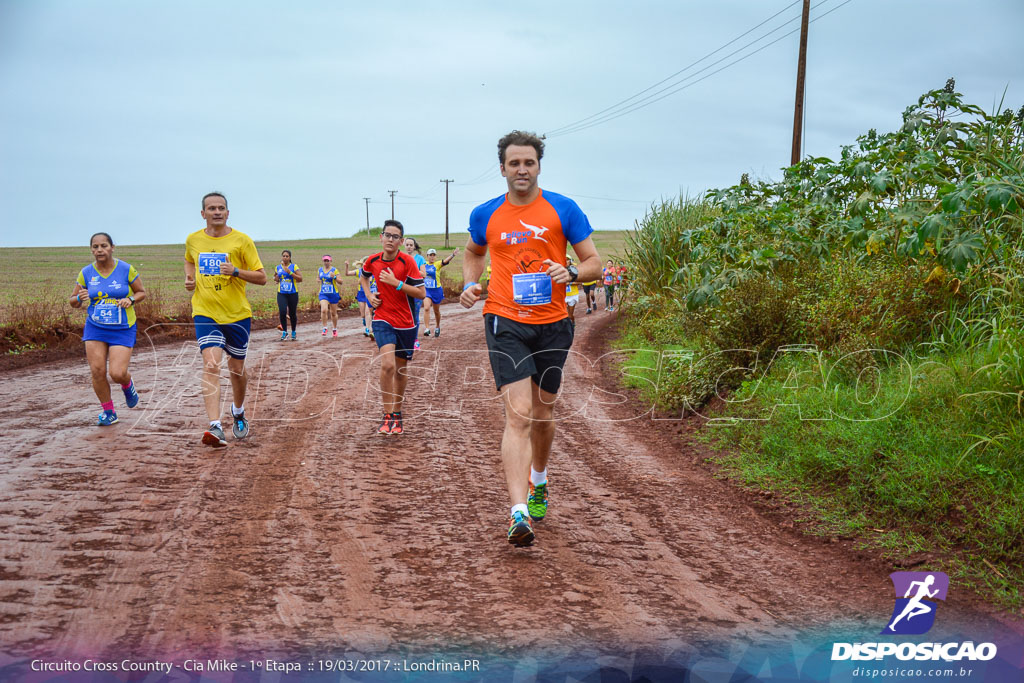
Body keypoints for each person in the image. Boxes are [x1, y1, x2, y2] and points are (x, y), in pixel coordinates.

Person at [460, 130, 601, 547]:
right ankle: (518, 512)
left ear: (539, 166)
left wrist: (572, 272)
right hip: (506, 321)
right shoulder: (486, 213)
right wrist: (470, 283)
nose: (522, 169)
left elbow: (593, 262)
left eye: (529, 163)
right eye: (514, 163)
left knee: (543, 413)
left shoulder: (563, 209)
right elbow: (473, 251)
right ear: (502, 168)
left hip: (555, 322)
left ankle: (539, 479)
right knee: (518, 413)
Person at [184, 191, 267, 447]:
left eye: (221, 208)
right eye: (211, 208)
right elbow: (189, 261)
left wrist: (236, 271)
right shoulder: (193, 240)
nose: (216, 212)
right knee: (211, 365)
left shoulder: (242, 241)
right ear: (203, 213)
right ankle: (216, 426)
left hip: (237, 315)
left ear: (227, 213)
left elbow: (262, 277)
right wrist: (190, 279)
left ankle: (238, 411)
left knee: (237, 370)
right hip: (205, 312)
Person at [70, 232, 147, 426]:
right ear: (91, 250)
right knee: (97, 371)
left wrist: (130, 299)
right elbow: (73, 301)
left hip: (122, 327)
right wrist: (80, 298)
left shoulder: (126, 269)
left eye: (104, 246)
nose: (99, 250)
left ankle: (127, 384)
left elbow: (141, 292)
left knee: (117, 373)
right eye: (95, 247)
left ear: (112, 247)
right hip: (95, 327)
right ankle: (109, 411)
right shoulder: (86, 273)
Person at [361, 220, 425, 436]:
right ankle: (387, 414)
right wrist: (369, 295)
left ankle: (397, 413)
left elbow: (421, 293)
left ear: (400, 241)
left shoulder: (407, 262)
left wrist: (395, 283)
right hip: (382, 318)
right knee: (387, 364)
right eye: (387, 235)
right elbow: (364, 275)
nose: (390, 239)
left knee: (400, 369)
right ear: (381, 237)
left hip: (406, 322)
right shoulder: (373, 260)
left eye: (395, 236)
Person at [421, 246, 459, 337]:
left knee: (436, 311)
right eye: (430, 255)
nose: (432, 257)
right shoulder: (423, 264)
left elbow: (445, 261)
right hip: (427, 290)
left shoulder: (437, 264)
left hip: (436, 291)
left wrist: (452, 255)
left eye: (434, 255)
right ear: (427, 256)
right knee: (426, 308)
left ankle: (437, 326)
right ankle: (427, 329)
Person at [403, 237, 427, 350]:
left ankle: (415, 339)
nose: (409, 247)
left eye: (411, 245)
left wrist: (412, 270)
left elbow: (424, 274)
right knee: (404, 315)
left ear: (414, 246)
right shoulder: (401, 258)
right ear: (404, 245)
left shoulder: (420, 258)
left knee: (415, 315)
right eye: (407, 244)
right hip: (404, 290)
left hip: (417, 290)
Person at [274, 249, 302, 341]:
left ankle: (293, 331)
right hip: (281, 293)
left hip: (293, 293)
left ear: (290, 258)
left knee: (292, 313)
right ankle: (285, 332)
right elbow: (275, 277)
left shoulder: (294, 266)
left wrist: (290, 272)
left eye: (287, 256)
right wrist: (276, 278)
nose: (285, 257)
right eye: (284, 256)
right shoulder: (278, 267)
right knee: (282, 311)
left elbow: (300, 279)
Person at [345, 259, 376, 338]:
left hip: (371, 293)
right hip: (362, 293)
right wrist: (347, 266)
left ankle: (367, 329)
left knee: (367, 311)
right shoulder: (359, 271)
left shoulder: (375, 271)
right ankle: (366, 321)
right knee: (363, 314)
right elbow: (347, 274)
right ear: (363, 264)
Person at [317, 255, 341, 337]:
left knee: (333, 313)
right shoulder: (320, 270)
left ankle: (334, 329)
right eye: (325, 261)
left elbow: (341, 281)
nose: (326, 262)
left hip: (333, 294)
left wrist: (334, 277)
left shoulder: (334, 270)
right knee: (324, 310)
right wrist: (318, 280)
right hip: (323, 293)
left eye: (328, 261)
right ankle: (324, 327)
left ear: (331, 261)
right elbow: (318, 278)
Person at [564, 255, 579, 324]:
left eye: (567, 259)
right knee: (564, 315)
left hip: (572, 295)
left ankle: (572, 324)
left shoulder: (574, 270)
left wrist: (569, 283)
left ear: (570, 261)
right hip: (563, 296)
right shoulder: (560, 270)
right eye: (564, 259)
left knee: (570, 315)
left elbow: (579, 282)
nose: (566, 261)